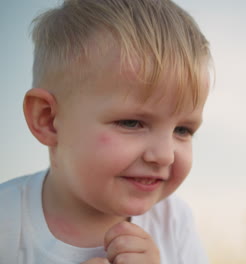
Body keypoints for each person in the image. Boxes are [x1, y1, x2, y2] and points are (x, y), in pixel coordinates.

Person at [0, 0, 212, 263]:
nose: (165, 155)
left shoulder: (174, 222)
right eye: (132, 123)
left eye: (182, 129)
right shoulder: (7, 222)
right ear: (49, 120)